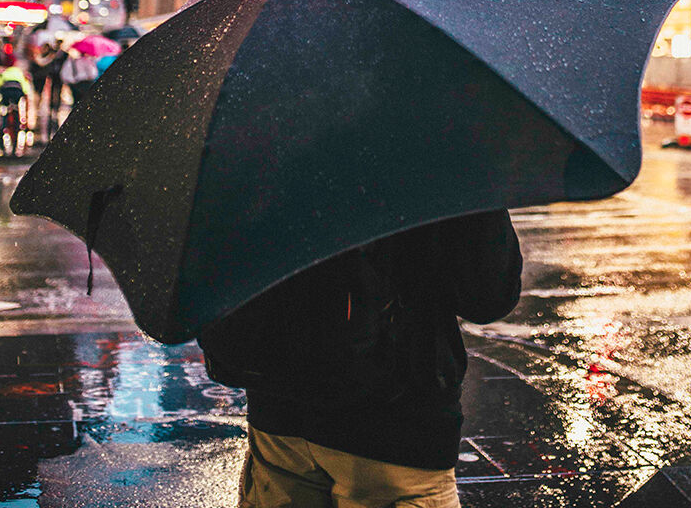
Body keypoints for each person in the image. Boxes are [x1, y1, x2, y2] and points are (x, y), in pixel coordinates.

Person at [199, 209, 522, 508]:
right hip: (395, 428)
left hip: (277, 413)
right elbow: (487, 295)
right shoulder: (436, 149)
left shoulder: (260, 146)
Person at [0, 54, 31, 154]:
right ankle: (17, 124)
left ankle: (4, 126)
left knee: (4, 112)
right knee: (16, 111)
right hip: (17, 92)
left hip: (6, 92)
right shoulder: (19, 72)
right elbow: (25, 87)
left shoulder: (5, 72)